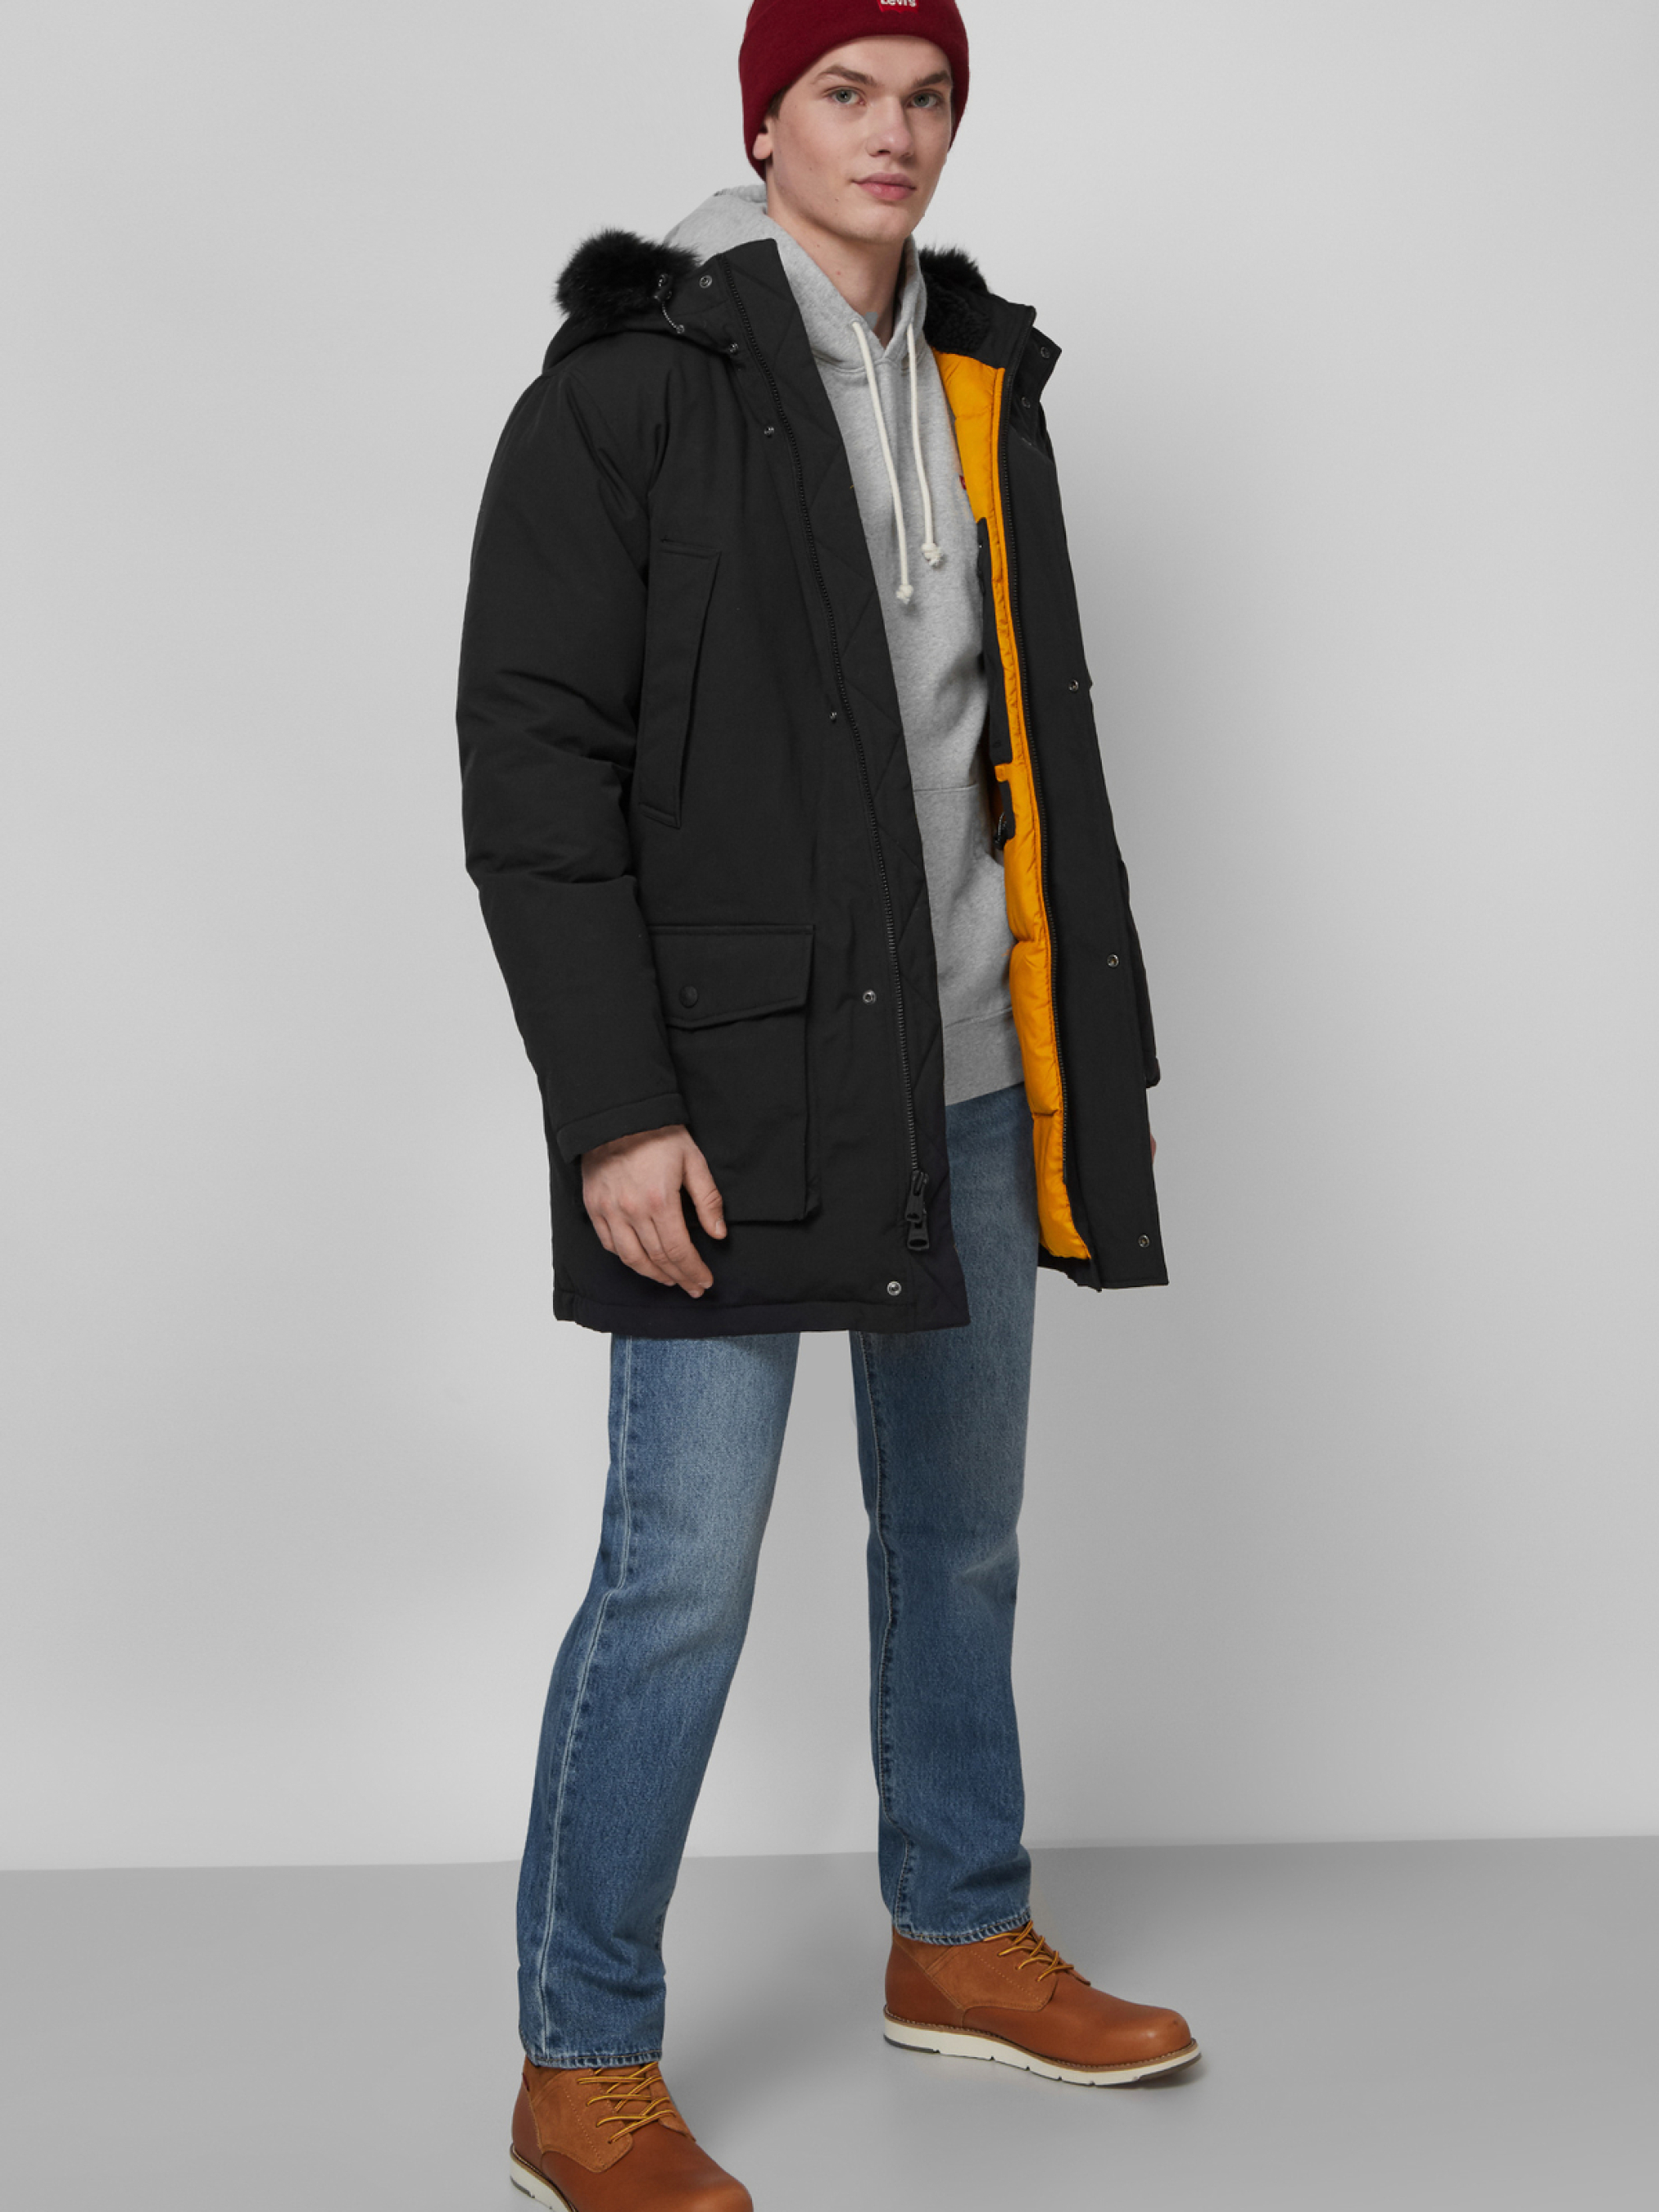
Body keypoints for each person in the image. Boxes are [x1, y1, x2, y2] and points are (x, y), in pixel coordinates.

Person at [457, 2, 1195, 2203]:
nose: (895, 134)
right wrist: (614, 1109)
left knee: (958, 1535)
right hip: (722, 1098)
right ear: (764, 122)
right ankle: (581, 2056)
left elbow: (1008, 738)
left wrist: (1073, 1047)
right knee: (676, 1575)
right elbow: (535, 773)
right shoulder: (628, 393)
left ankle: (959, 1930)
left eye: (927, 95)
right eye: (847, 94)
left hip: (966, 1069)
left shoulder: (980, 379)